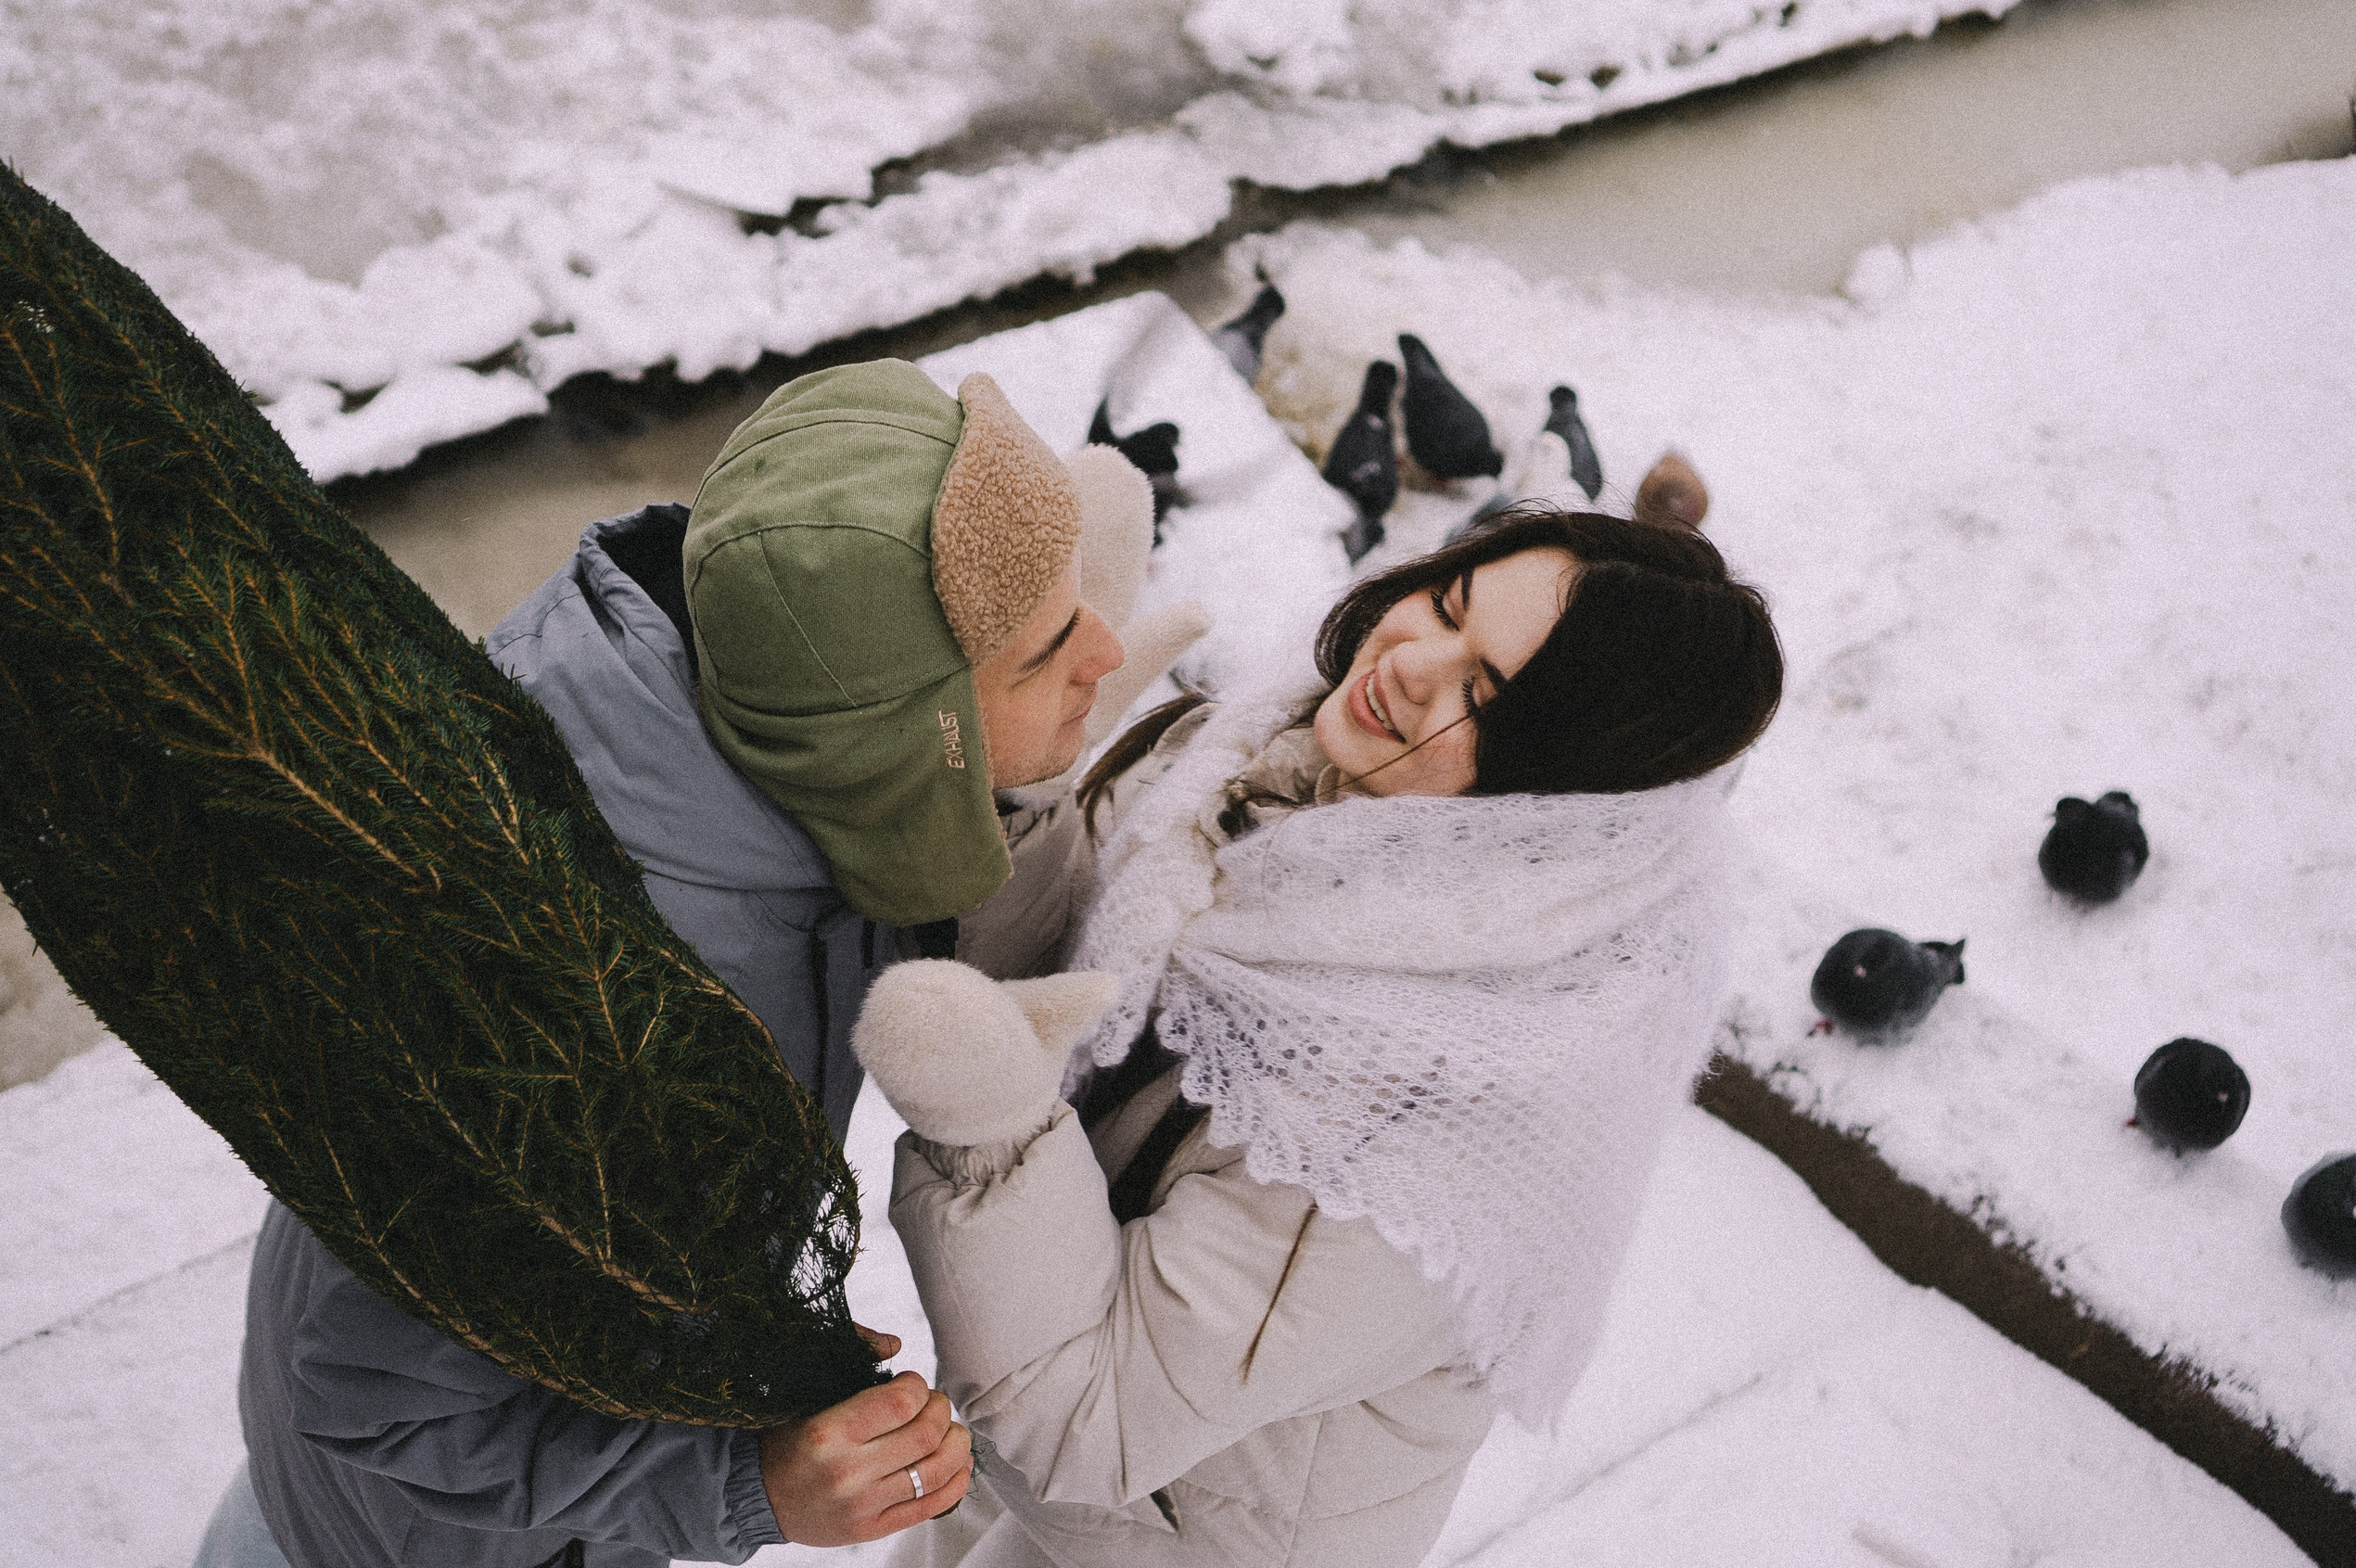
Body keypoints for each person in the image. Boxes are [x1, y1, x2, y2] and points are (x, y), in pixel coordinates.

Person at [199, 358, 1202, 1568]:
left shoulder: (758, 727)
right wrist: (745, 1482)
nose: (1106, 648)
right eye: (1044, 648)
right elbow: (375, 1398)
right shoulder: (574, 1019)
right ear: (894, 741)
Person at [848, 507, 1784, 1568]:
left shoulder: (1434, 1117)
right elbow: (1061, 998)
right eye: (1446, 603)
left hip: (1164, 1527)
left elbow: (1085, 1412)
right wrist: (1025, 787)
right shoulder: (1271, 762)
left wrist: (993, 1125)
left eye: (1482, 694)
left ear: (1557, 796)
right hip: (1028, 1433)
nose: (1411, 662)